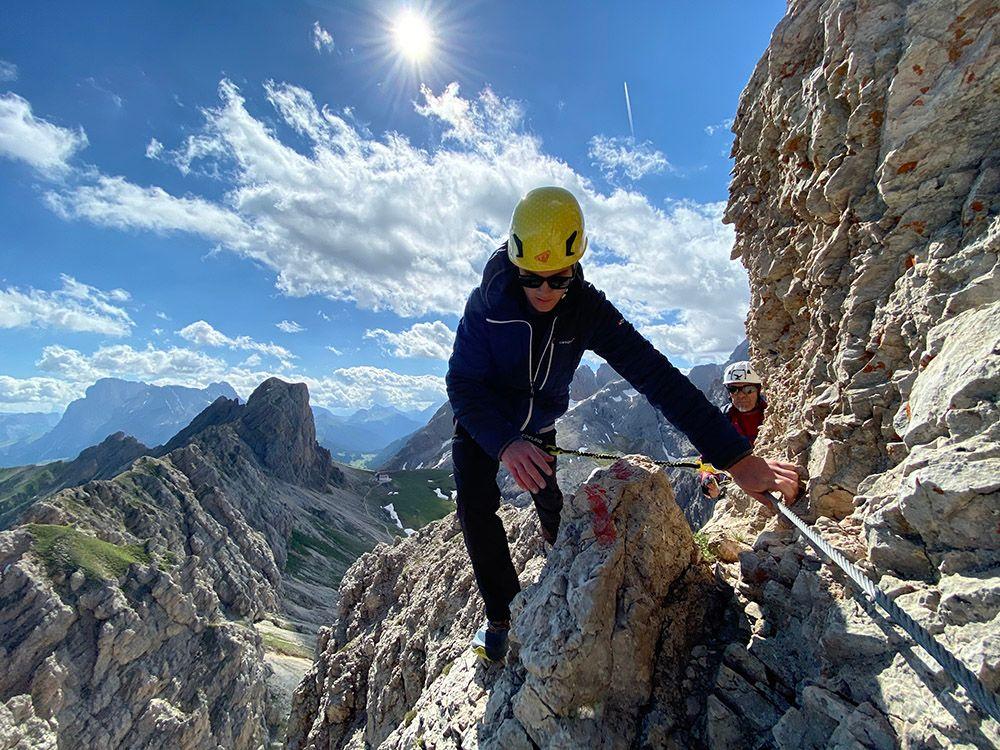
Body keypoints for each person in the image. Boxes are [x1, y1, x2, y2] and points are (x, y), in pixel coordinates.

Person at [446, 186, 799, 663]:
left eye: (559, 279)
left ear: (575, 268)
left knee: (548, 494)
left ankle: (559, 547)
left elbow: (656, 375)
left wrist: (735, 456)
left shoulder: (586, 310)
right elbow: (463, 385)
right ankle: (500, 616)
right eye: (532, 278)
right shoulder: (486, 306)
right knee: (475, 506)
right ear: (514, 262)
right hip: (483, 423)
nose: (546, 291)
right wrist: (506, 443)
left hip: (540, 423)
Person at [700, 360, 768, 498]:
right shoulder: (722, 420)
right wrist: (708, 478)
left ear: (759, 390)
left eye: (748, 389)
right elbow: (707, 457)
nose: (741, 395)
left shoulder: (773, 415)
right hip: (740, 488)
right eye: (733, 389)